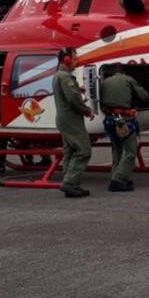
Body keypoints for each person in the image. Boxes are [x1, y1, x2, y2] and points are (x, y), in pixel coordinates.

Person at [99, 63, 149, 192]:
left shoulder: (104, 82)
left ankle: (116, 175)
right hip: (125, 120)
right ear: (122, 72)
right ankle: (119, 180)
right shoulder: (128, 79)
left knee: (117, 150)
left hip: (110, 120)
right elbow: (144, 96)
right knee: (130, 151)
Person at [52, 47, 94, 197]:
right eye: (75, 59)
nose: (76, 62)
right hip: (71, 119)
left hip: (64, 119)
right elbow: (73, 100)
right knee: (84, 150)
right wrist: (87, 110)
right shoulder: (65, 77)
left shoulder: (60, 76)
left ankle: (70, 183)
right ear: (67, 60)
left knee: (70, 151)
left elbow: (70, 93)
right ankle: (70, 183)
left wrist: (77, 88)